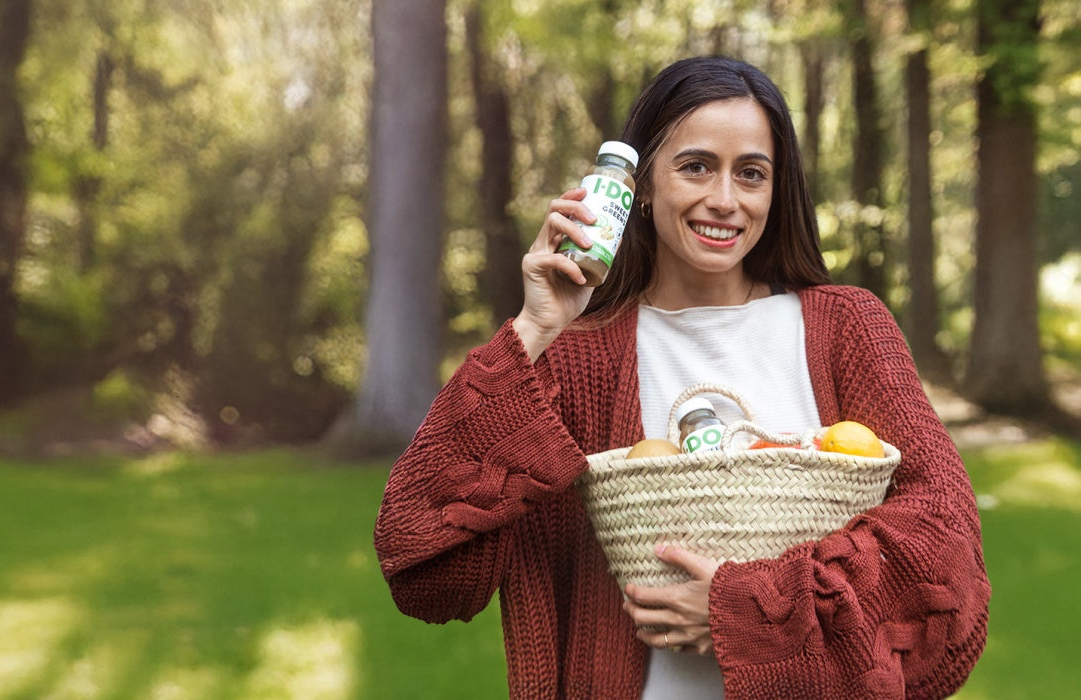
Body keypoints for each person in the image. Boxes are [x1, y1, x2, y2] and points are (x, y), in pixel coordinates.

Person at [373, 56, 989, 699]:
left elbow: (945, 546)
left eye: (751, 173)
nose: (724, 200)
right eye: (695, 166)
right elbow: (422, 563)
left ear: (776, 191)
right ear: (640, 184)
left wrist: (741, 609)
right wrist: (534, 329)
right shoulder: (573, 360)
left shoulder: (845, 328)